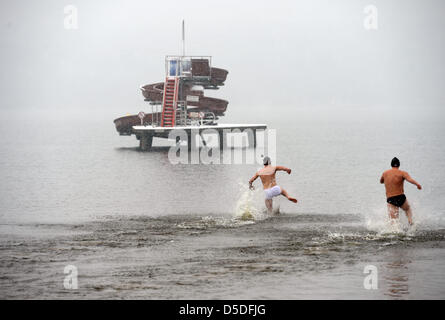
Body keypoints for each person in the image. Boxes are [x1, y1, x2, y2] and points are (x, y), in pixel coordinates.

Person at [380, 157, 422, 225]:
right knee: (407, 209)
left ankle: (395, 231)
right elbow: (410, 179)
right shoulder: (402, 173)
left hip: (391, 199)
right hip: (400, 197)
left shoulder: (385, 173)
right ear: (399, 165)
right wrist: (417, 184)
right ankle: (410, 221)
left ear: (391, 165)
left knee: (393, 221)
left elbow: (381, 181)